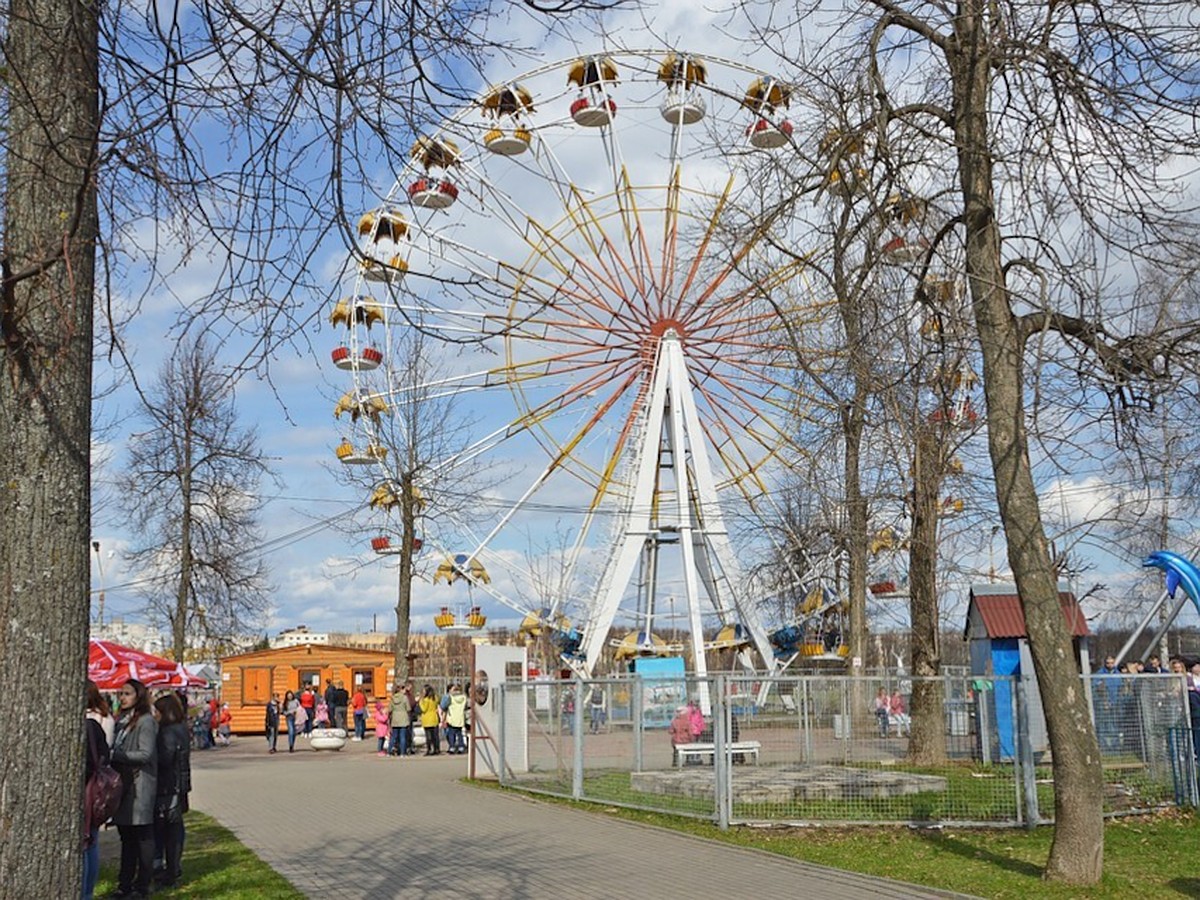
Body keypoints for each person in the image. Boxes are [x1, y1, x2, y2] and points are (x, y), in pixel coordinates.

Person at [111, 679, 159, 899]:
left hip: (140, 786)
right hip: (125, 784)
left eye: (127, 693)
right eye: (121, 693)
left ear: (138, 696)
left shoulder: (146, 721)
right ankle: (125, 883)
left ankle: (143, 884)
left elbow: (145, 754)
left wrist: (116, 756)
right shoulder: (123, 720)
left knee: (142, 837)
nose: (122, 697)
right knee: (127, 838)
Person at [152, 693, 191, 890]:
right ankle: (173, 867)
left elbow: (165, 760)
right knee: (175, 829)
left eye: (157, 711)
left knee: (168, 829)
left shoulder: (167, 732)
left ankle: (169, 870)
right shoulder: (181, 728)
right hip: (179, 785)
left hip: (168, 786)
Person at [83, 680, 114, 900]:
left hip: (89, 788)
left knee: (87, 842)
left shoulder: (92, 722)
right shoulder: (100, 720)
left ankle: (85, 893)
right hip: (96, 786)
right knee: (90, 841)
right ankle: (87, 892)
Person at [418, 684, 443, 755]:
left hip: (427, 719)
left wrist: (420, 702)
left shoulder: (425, 700)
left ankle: (429, 749)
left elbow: (424, 709)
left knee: (428, 736)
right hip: (434, 718)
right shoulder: (435, 698)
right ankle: (436, 749)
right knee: (435, 735)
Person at [389, 685, 412, 757]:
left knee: (394, 736)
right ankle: (402, 752)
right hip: (403, 718)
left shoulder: (392, 699)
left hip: (395, 718)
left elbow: (390, 709)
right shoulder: (404, 698)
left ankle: (390, 751)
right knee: (403, 736)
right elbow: (408, 708)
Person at [444, 684, 468, 754]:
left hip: (452, 719)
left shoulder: (451, 697)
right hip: (460, 718)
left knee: (451, 734)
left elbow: (444, 705)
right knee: (459, 734)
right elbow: (465, 706)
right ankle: (461, 747)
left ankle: (452, 747)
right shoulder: (464, 697)